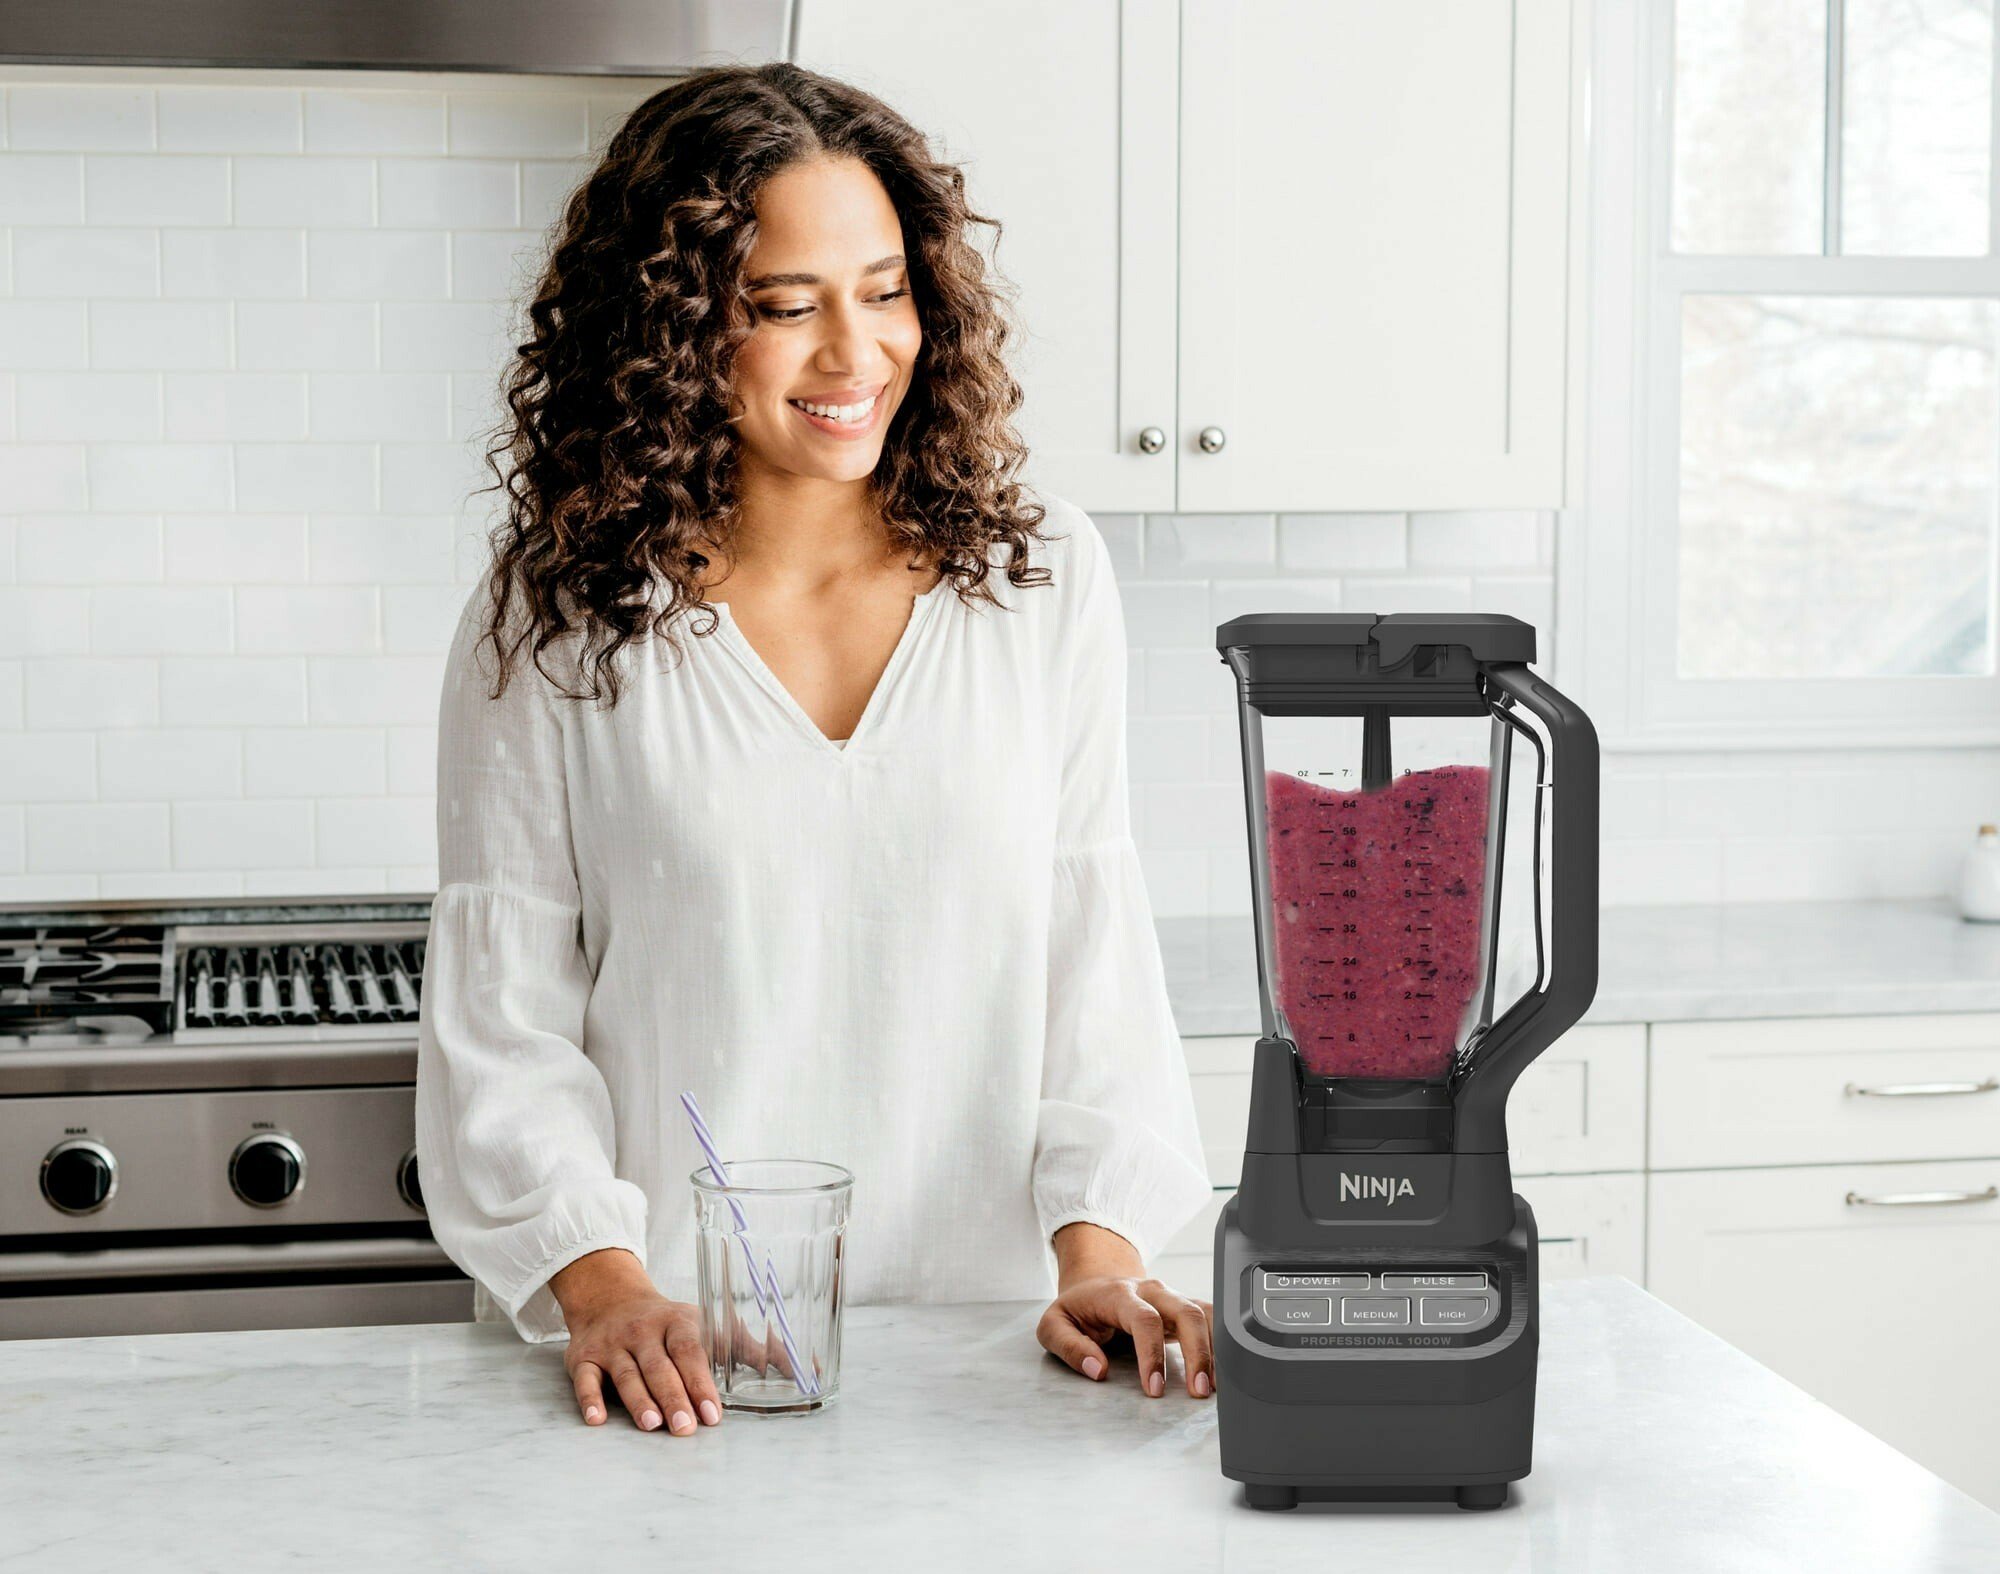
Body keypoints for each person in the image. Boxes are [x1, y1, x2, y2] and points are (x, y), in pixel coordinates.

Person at [414, 62, 1214, 1439]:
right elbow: (504, 1020)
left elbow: (1092, 956)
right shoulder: (561, 616)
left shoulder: (1040, 582)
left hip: (993, 1385)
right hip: (676, 1387)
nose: (857, 353)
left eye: (885, 287)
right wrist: (602, 1283)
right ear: (672, 330)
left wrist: (1103, 1253)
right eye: (784, 307)